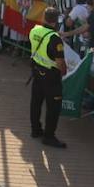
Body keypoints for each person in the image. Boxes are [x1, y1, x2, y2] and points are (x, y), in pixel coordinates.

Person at [28, 21, 68, 149]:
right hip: (51, 77)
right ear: (55, 21)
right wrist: (64, 72)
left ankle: (35, 130)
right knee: (53, 108)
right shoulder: (55, 38)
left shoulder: (35, 30)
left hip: (37, 72)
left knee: (36, 102)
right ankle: (49, 136)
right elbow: (60, 62)